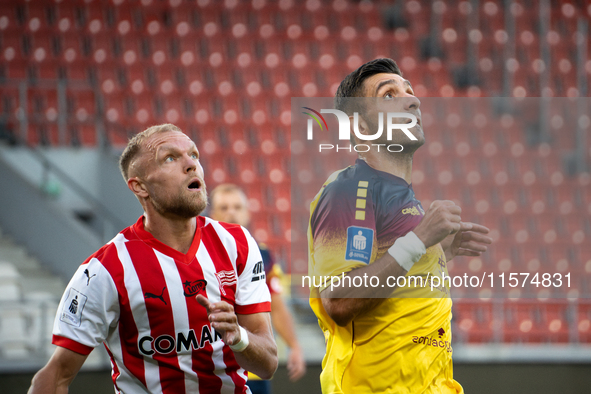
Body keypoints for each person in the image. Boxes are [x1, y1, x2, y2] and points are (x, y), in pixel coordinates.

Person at [28, 124, 278, 393]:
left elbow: (268, 365)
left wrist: (238, 337)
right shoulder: (105, 270)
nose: (191, 165)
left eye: (193, 155)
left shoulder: (236, 242)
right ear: (140, 187)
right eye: (170, 158)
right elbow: (56, 376)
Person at [307, 58, 493, 393]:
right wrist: (419, 241)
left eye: (409, 90)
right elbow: (339, 300)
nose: (413, 99)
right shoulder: (349, 190)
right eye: (389, 95)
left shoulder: (400, 197)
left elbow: (394, 281)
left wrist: (436, 253)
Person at [209, 184, 307, 394]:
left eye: (237, 207)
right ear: (213, 213)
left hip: (252, 367)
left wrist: (294, 346)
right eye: (224, 207)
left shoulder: (263, 256)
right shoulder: (197, 255)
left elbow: (277, 307)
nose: (231, 212)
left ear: (247, 213)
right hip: (211, 369)